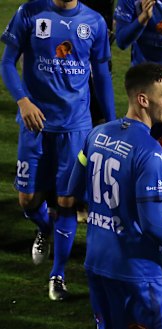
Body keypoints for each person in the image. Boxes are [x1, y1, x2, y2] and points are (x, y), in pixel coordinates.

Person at [65, 62, 162, 328]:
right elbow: (153, 224)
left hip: (97, 263)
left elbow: (69, 193)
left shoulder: (95, 135)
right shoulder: (150, 152)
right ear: (143, 100)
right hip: (138, 273)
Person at [0, 0, 116, 301]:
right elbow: (6, 62)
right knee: (28, 200)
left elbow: (102, 75)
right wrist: (23, 101)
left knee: (67, 200)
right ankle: (43, 228)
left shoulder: (94, 22)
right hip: (34, 124)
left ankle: (58, 275)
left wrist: (113, 122)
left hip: (75, 126)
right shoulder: (29, 13)